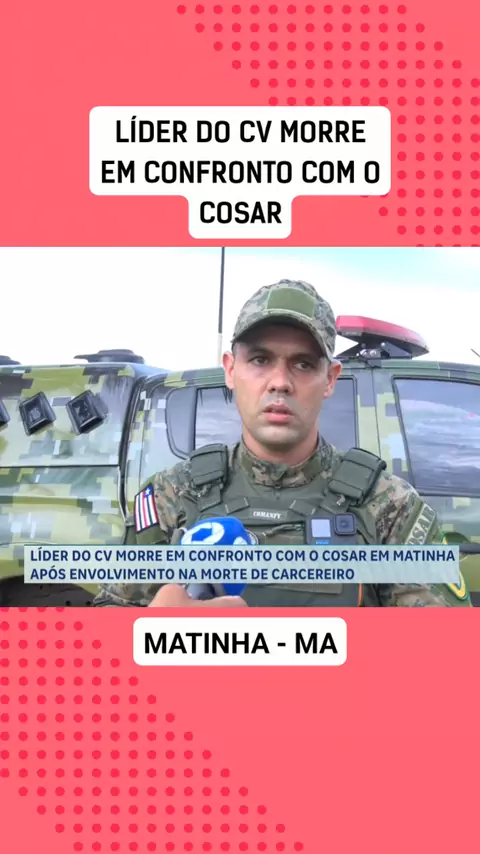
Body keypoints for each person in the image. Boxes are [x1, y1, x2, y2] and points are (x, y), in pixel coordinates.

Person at [93, 279, 471, 608]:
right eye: (260, 360)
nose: (279, 382)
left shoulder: (390, 506)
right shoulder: (172, 495)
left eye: (303, 364)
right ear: (230, 370)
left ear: (330, 379)